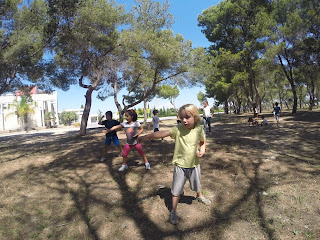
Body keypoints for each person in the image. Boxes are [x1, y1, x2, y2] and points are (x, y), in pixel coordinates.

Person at [138, 104, 211, 225]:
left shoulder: (199, 129)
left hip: (194, 164)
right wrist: (148, 136)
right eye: (182, 117)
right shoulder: (178, 129)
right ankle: (174, 210)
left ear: (196, 117)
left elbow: (202, 142)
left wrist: (202, 150)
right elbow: (163, 133)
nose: (184, 120)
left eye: (187, 117)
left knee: (197, 183)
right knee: (176, 189)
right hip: (180, 165)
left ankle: (200, 196)